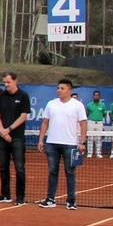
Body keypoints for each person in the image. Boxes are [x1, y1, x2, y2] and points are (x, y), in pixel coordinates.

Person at [39, 78, 88, 210]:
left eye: (62, 88)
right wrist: (41, 139)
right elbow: (45, 122)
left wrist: (82, 142)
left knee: (70, 172)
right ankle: (50, 199)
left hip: (70, 144)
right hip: (52, 144)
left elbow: (83, 124)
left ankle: (71, 200)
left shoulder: (77, 105)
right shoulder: (51, 104)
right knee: (52, 171)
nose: (59, 91)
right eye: (58, 88)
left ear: (69, 90)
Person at [0, 72, 30, 205]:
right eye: (4, 82)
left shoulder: (23, 96)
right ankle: (5, 194)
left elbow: (23, 116)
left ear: (15, 81)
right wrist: (2, 131)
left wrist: (9, 130)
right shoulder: (1, 96)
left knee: (19, 168)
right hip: (2, 137)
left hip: (17, 137)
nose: (6, 85)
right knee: (3, 167)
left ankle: (20, 197)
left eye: (8, 82)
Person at [84, 90, 107, 158]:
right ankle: (90, 153)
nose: (96, 96)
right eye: (95, 95)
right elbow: (87, 114)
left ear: (99, 96)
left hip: (99, 123)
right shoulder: (89, 105)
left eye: (97, 95)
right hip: (91, 122)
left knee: (99, 138)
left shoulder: (102, 105)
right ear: (93, 96)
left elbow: (104, 114)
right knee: (90, 138)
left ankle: (98, 153)